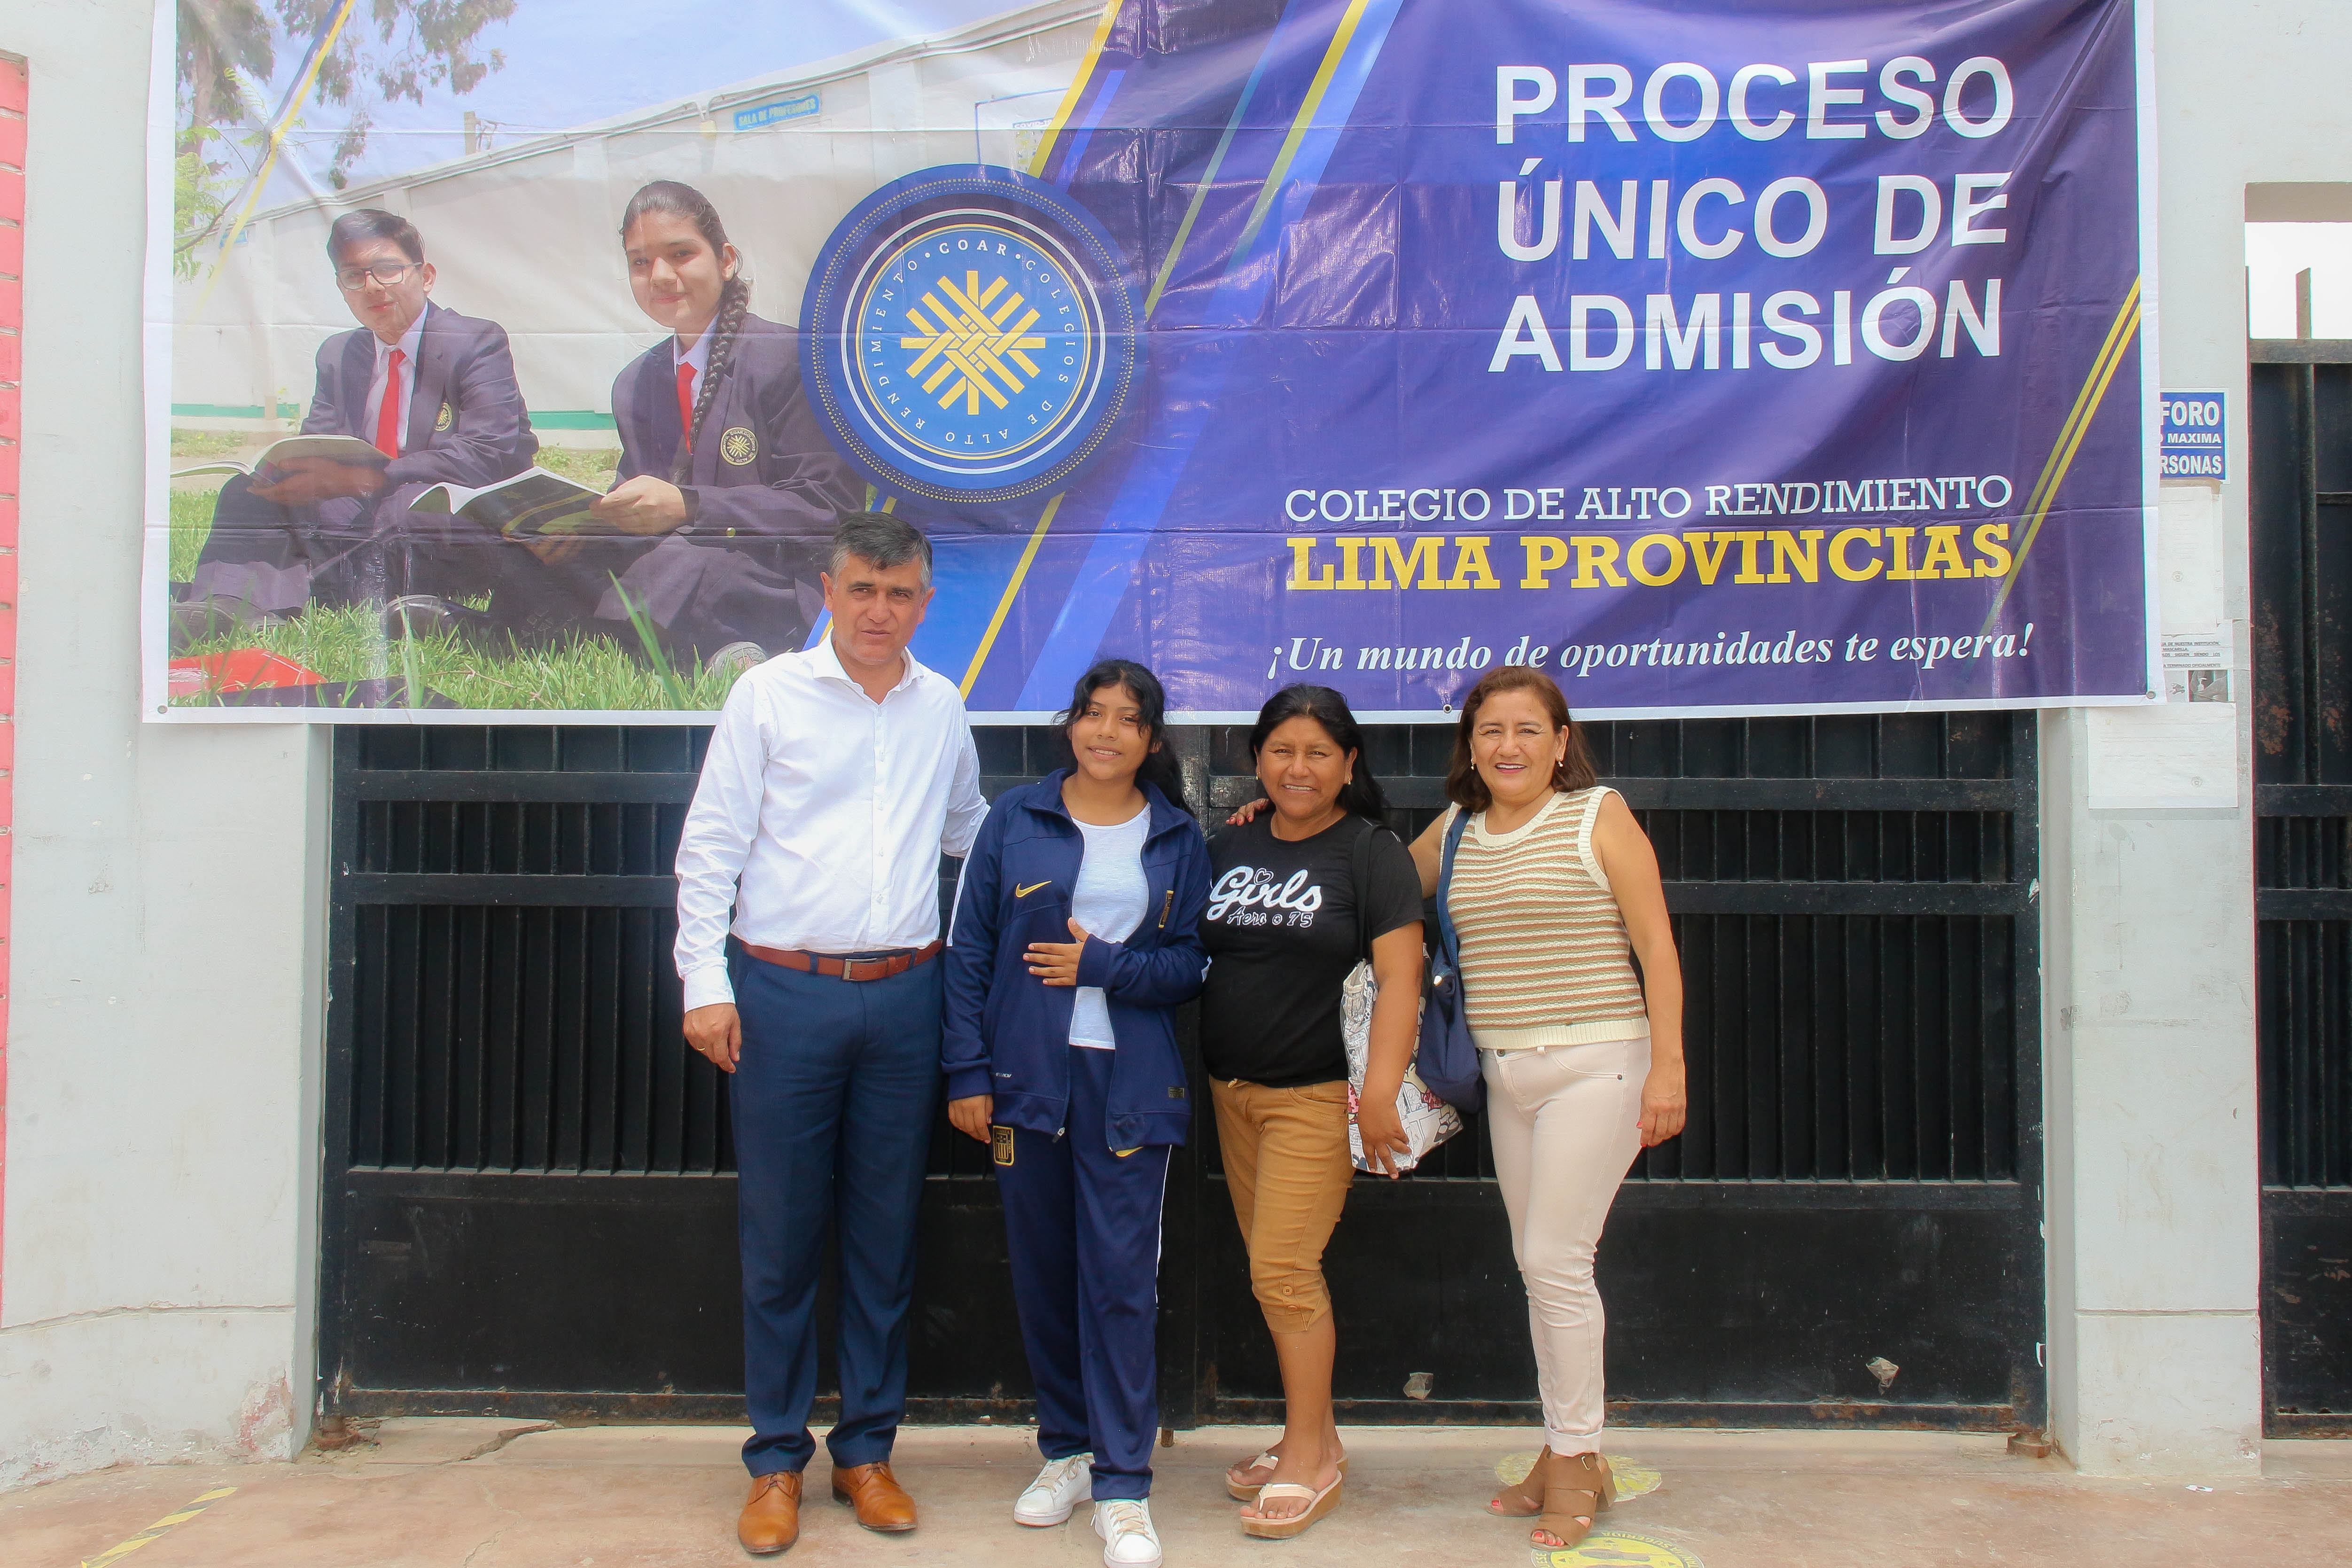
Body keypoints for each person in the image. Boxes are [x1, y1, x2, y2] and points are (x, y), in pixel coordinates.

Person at [671, 511, 986, 1555]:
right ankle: (774, 1460)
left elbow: (968, 835)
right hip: (783, 995)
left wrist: (1092, 835)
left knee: (885, 1238)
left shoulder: (941, 707)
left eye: (900, 595)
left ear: (925, 604)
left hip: (905, 997)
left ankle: (866, 1451)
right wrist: (703, 984)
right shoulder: (767, 695)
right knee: (781, 1238)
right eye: (862, 590)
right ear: (828, 590)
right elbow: (709, 849)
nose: (879, 612)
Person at [1408, 666, 1686, 1552]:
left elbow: (1657, 944)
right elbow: (1369, 878)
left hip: (1598, 1063)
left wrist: (1668, 1068)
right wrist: (1282, 821)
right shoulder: (1456, 830)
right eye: (1491, 730)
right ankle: (1569, 1446)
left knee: (1553, 1257)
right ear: (1470, 745)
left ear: (1561, 741)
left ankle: (1575, 1459)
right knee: (1543, 1268)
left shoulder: (1597, 813)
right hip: (1505, 1074)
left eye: (1529, 729)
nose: (1509, 746)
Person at [941, 657, 1211, 1568]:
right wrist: (966, 1071)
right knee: (1046, 1274)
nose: (1104, 732)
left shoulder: (1174, 834)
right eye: (1091, 714)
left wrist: (1104, 966)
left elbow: (1187, 967)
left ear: (1150, 740)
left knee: (1120, 1282)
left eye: (1125, 720)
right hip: (1027, 1078)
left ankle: (1124, 1486)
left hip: (1129, 1086)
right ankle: (1066, 1451)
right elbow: (968, 950)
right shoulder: (1017, 819)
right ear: (1071, 725)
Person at [389, 179, 860, 673]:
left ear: (725, 259)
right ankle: (700, 649)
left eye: (680, 254)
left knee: (683, 564)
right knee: (553, 559)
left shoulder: (790, 359)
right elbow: (634, 496)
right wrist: (576, 530)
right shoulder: (636, 382)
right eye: (640, 262)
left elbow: (826, 509)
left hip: (768, 569)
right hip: (670, 561)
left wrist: (690, 505)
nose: (660, 275)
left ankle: (540, 633)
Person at [1199, 685, 1423, 1540]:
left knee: (1284, 1272)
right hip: (1233, 1093)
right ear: (1258, 758)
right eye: (1282, 750)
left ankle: (1310, 1461)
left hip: (1317, 1097)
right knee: (1273, 1266)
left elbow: (1401, 976)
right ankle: (1312, 1430)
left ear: (1349, 764)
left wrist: (1375, 1097)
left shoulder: (1370, 851)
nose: (1299, 767)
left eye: (1318, 753)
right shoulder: (1233, 840)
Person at [178, 208, 536, 647]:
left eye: (387, 270)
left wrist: (369, 477)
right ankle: (232, 605)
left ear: (425, 276)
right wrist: (289, 473)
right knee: (250, 494)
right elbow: (318, 441)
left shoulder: (475, 341)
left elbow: (489, 452)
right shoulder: (338, 353)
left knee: (405, 511)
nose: (372, 287)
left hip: (451, 506)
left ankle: (357, 590)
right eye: (353, 275)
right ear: (342, 288)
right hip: (365, 507)